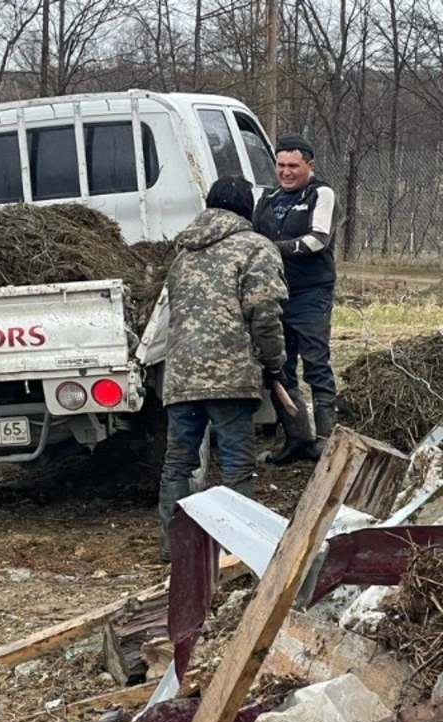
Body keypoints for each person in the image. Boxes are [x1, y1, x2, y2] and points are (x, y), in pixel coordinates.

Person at [158, 174, 288, 561]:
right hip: (231, 375)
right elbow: (265, 314)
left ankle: (177, 549)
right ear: (248, 208)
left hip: (181, 374)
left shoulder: (183, 253)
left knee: (178, 463)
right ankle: (235, 547)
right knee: (236, 463)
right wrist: (275, 365)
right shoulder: (256, 248)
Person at [253, 133, 341, 463]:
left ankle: (325, 441)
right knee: (279, 366)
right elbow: (253, 236)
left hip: (311, 292)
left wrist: (272, 249)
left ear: (310, 165)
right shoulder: (268, 198)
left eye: (293, 166)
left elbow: (318, 240)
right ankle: (295, 438)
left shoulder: (321, 193)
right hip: (275, 293)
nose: (286, 172)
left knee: (316, 364)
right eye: (281, 165)